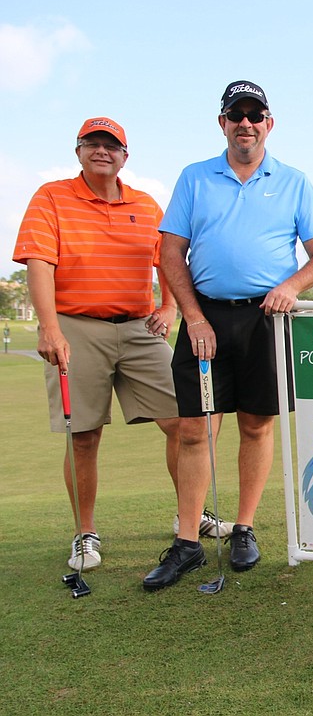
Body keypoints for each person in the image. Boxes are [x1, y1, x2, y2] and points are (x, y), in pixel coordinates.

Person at [143, 81, 313, 591]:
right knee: (193, 430)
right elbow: (170, 254)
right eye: (236, 114)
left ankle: (244, 529)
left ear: (268, 123)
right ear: (222, 123)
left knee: (256, 427)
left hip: (264, 321)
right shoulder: (195, 177)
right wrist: (194, 317)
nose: (245, 123)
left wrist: (291, 286)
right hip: (204, 318)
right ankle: (187, 543)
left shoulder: (293, 181)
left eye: (255, 114)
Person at [11, 117, 209, 572]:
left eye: (111, 145)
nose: (102, 151)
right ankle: (85, 532)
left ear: (125, 155)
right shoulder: (51, 196)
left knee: (183, 423)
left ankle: (189, 517)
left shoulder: (145, 203)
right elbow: (39, 262)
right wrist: (48, 327)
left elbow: (168, 258)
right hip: (75, 326)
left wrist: (169, 307)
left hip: (140, 328)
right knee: (83, 436)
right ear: (78, 150)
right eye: (92, 144)